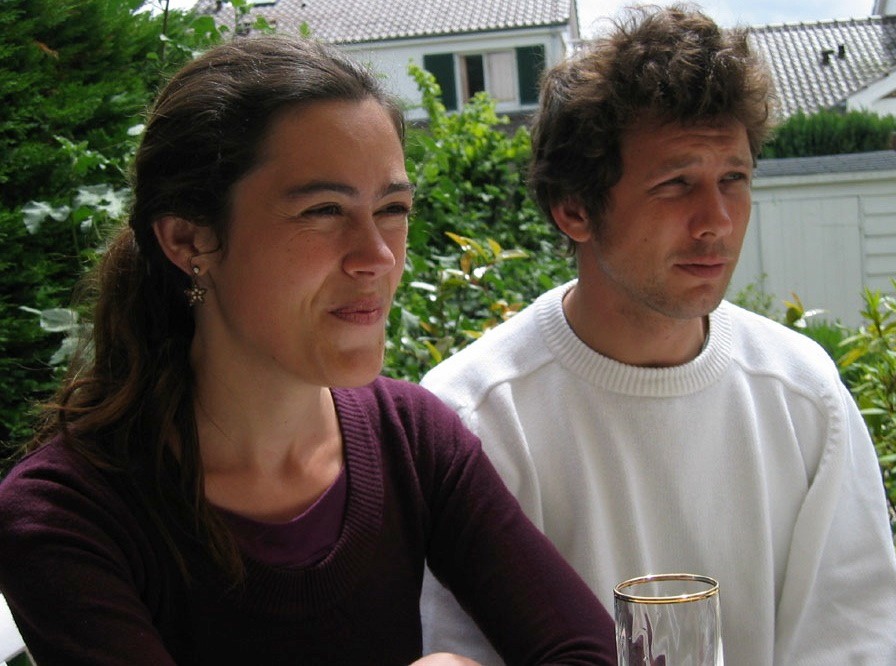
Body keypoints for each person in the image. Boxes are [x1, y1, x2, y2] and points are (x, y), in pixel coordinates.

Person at [0, 36, 617, 665]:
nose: (378, 255)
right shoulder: (66, 516)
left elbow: (590, 653)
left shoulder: (412, 438)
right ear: (188, 240)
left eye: (393, 208)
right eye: (323, 210)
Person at [420, 4, 896, 664]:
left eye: (733, 179)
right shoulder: (473, 417)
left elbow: (852, 637)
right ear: (574, 208)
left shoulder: (802, 393)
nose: (717, 221)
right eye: (677, 184)